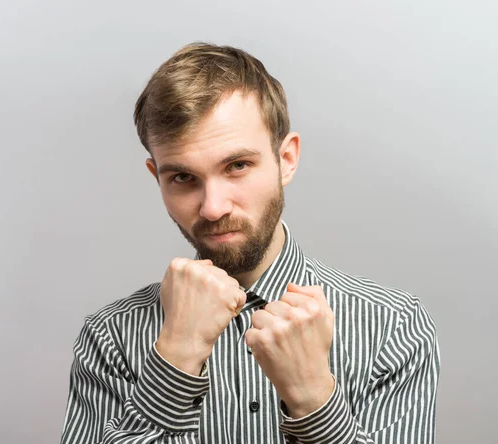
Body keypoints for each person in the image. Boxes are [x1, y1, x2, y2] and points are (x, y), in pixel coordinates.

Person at [60, 42, 440, 444]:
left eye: (237, 166)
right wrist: (177, 353)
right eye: (183, 178)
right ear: (157, 176)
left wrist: (313, 397)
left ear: (286, 159)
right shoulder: (110, 337)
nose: (212, 208)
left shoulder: (393, 327)